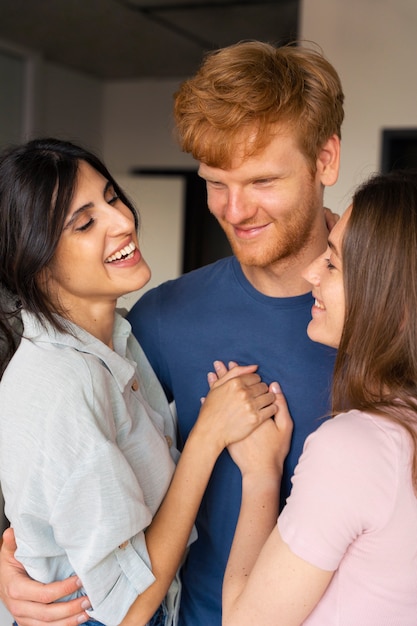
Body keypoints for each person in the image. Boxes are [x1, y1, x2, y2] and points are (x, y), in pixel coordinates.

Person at [0, 40, 344, 625]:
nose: (235, 211)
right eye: (216, 182)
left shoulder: (395, 311)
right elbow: (53, 462)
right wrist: (11, 561)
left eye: (261, 180)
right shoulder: (157, 321)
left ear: (326, 161)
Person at [0, 137, 282, 626]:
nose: (123, 221)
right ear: (34, 263)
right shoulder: (64, 386)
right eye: (85, 223)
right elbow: (127, 610)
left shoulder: (123, 338)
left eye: (111, 198)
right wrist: (208, 436)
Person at [222, 170, 417, 625]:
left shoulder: (357, 447)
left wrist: (261, 476)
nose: (311, 271)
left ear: (390, 300)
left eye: (332, 263)